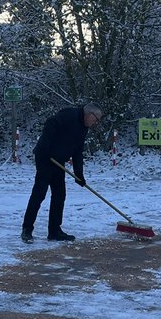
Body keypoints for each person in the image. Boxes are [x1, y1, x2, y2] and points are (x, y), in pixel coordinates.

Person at [21, 102, 104, 243]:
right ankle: (27, 230)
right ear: (90, 115)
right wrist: (46, 149)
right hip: (45, 158)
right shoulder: (69, 115)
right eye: (96, 119)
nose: (95, 123)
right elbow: (50, 124)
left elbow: (78, 152)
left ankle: (54, 231)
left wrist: (79, 175)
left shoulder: (84, 127)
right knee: (39, 193)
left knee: (59, 195)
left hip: (59, 162)